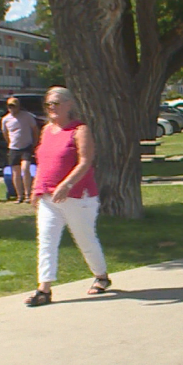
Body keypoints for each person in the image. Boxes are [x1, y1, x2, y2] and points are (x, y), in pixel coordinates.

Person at [24, 86, 110, 307]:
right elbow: (43, 162)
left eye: (56, 103)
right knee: (46, 241)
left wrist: (67, 184)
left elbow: (85, 161)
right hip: (49, 198)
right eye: (48, 104)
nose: (52, 108)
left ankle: (101, 276)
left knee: (85, 239)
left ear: (69, 104)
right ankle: (44, 290)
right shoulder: (46, 130)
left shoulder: (80, 130)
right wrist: (36, 188)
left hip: (78, 197)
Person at [2, 96, 40, 203]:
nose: (12, 109)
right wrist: (10, 143)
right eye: (10, 107)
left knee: (25, 168)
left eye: (14, 106)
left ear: (18, 106)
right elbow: (5, 134)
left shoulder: (27, 116)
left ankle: (28, 194)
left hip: (26, 146)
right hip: (14, 148)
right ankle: (19, 196)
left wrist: (35, 143)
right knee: (15, 173)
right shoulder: (5, 119)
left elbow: (35, 130)